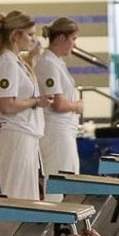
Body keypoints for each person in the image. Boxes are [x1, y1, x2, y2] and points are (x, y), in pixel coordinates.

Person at [0, 10, 52, 199]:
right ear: (15, 35)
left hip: (25, 135)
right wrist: (36, 101)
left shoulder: (16, 61)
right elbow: (6, 105)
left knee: (28, 198)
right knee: (18, 200)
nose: (34, 39)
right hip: (17, 137)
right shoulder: (6, 62)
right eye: (30, 34)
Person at [34, 17, 82, 177]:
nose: (75, 44)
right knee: (61, 181)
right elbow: (57, 104)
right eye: (73, 39)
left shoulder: (56, 62)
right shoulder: (48, 63)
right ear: (62, 38)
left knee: (69, 180)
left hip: (64, 131)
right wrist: (77, 106)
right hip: (56, 133)